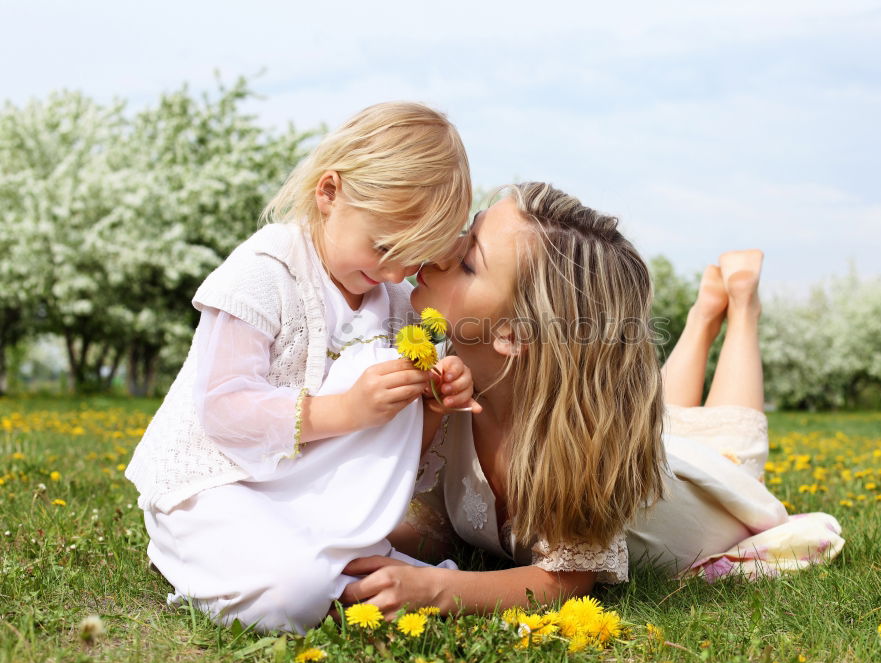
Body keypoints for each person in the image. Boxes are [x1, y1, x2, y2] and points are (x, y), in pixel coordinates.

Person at [341, 182, 842, 617]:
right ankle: (704, 313)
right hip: (658, 448)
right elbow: (441, 529)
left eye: (469, 262)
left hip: (699, 499)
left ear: (515, 335)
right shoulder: (442, 385)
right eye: (467, 232)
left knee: (732, 445)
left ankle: (741, 305)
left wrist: (436, 589)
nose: (442, 250)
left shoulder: (571, 446)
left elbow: (565, 581)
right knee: (677, 421)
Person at [125, 102, 480, 634]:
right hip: (219, 486)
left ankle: (326, 575)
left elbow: (395, 448)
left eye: (414, 258)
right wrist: (347, 408)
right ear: (329, 193)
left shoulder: (396, 303)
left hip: (312, 502)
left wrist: (431, 400)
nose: (395, 270)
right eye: (384, 245)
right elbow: (224, 409)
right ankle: (206, 558)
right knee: (292, 590)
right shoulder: (266, 272)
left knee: (305, 578)